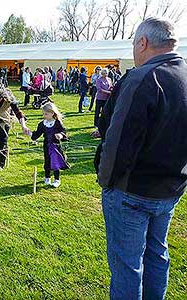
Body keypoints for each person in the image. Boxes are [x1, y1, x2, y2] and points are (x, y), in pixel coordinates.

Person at [95, 17, 187, 300]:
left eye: (134, 45)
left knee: (128, 266)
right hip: (170, 189)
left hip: (132, 192)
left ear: (143, 43)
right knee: (158, 255)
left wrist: (106, 182)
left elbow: (117, 140)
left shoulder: (144, 77)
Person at [28, 102, 69, 187]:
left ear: (52, 113)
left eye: (46, 114)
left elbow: (64, 132)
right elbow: (37, 134)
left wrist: (60, 135)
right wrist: (30, 133)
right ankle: (47, 177)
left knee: (55, 162)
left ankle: (57, 179)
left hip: (56, 146)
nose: (44, 116)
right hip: (46, 146)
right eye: (43, 114)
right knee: (47, 161)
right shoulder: (42, 124)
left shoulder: (57, 123)